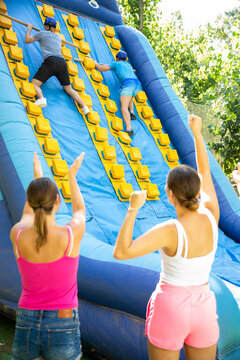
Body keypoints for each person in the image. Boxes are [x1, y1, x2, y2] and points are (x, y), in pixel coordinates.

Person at [113, 114, 220, 360]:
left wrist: (132, 209)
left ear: (169, 194)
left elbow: (121, 252)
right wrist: (197, 133)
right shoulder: (211, 214)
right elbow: (205, 172)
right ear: (196, 191)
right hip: (204, 305)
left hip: (171, 306)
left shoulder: (170, 230)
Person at [10, 152, 85, 360]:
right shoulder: (70, 235)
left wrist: (37, 179)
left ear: (31, 202)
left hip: (27, 319)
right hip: (62, 319)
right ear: (58, 201)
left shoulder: (18, 234)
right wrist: (71, 176)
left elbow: (27, 215)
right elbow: (79, 210)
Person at [25, 17, 90, 115]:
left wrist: (29, 29)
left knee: (34, 84)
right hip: (62, 62)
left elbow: (27, 40)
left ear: (45, 26)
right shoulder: (58, 38)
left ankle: (41, 98)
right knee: (69, 89)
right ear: (55, 28)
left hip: (50, 61)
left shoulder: (41, 33)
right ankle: (84, 107)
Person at [94, 51, 141, 136]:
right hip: (137, 84)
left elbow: (102, 68)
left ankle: (129, 129)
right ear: (125, 59)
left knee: (123, 107)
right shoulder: (128, 65)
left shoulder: (116, 63)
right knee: (130, 96)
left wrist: (96, 63)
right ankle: (132, 112)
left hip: (128, 83)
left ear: (117, 58)